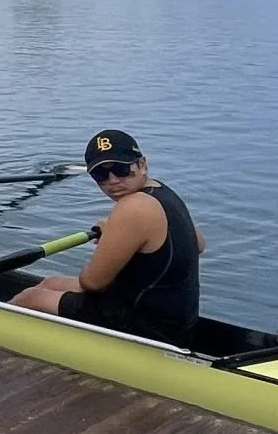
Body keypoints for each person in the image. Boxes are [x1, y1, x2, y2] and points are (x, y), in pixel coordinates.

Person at [11, 130, 202, 344]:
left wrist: (114, 235)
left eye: (121, 169)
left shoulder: (133, 207)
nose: (112, 181)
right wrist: (120, 233)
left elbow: (92, 283)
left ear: (142, 164)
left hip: (146, 328)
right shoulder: (164, 193)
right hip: (176, 320)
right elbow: (200, 244)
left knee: (31, 298)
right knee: (50, 282)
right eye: (100, 175)